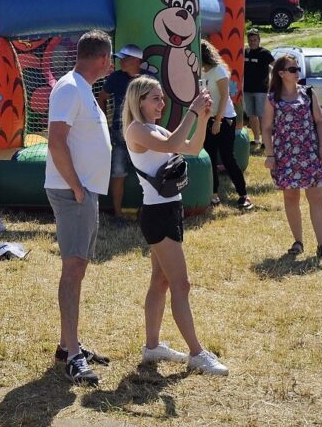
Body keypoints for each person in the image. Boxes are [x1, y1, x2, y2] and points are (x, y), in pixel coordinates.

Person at [124, 76, 229, 375]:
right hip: (157, 213)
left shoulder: (155, 129)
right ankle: (197, 353)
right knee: (181, 285)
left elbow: (192, 148)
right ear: (139, 100)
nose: (162, 103)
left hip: (170, 209)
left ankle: (152, 347)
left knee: (161, 282)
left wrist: (203, 118)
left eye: (162, 98)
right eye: (156, 98)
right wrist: (193, 111)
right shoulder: (136, 129)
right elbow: (171, 144)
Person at [44, 29, 113, 385]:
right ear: (102, 58)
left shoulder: (81, 88)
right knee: (72, 270)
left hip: (83, 192)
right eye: (110, 58)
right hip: (73, 192)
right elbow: (55, 141)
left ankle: (67, 344)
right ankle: (72, 355)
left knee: (78, 268)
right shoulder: (70, 88)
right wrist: (75, 186)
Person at [262, 55, 322, 259]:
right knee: (291, 197)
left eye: (297, 69)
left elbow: (320, 121)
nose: (297, 72)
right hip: (285, 156)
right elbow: (267, 128)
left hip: (309, 153)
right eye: (292, 69)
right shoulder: (272, 99)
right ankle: (298, 242)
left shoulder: (308, 93)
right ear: (281, 74)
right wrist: (270, 155)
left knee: (316, 197)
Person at [200, 40, 252, 210]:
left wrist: (218, 120)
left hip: (225, 119)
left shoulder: (218, 71)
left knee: (227, 157)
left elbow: (224, 96)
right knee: (210, 157)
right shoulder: (201, 72)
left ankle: (243, 194)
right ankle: (213, 194)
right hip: (208, 118)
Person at [97, 44, 143, 221]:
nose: (121, 61)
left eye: (125, 58)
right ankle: (118, 214)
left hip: (141, 135)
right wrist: (106, 124)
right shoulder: (116, 77)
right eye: (121, 58)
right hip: (119, 134)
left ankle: (146, 212)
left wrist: (153, 125)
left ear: (137, 60)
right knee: (117, 174)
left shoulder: (147, 79)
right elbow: (102, 98)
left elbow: (162, 100)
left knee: (146, 174)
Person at [242, 29, 274, 153]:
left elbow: (275, 65)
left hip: (261, 90)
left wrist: (274, 80)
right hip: (247, 89)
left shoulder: (265, 53)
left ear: (259, 40)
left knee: (262, 116)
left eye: (255, 40)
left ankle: (265, 141)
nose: (252, 42)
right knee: (251, 115)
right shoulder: (245, 52)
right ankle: (256, 140)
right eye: (250, 40)